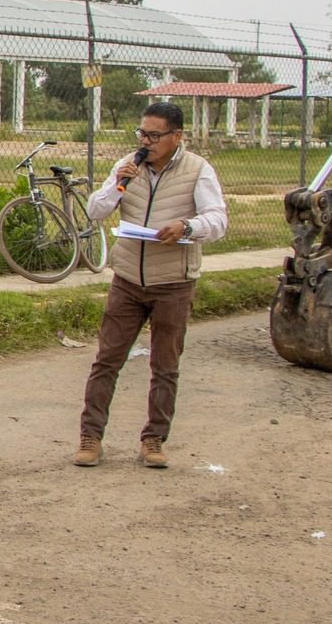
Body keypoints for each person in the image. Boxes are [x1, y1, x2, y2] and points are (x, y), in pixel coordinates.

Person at [74, 102, 228, 470]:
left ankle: (154, 439)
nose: (146, 141)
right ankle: (90, 436)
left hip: (173, 282)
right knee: (106, 360)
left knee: (165, 365)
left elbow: (218, 220)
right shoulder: (128, 166)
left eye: (155, 135)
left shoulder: (198, 170)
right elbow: (95, 211)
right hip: (128, 280)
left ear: (177, 137)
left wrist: (187, 227)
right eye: (142, 133)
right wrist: (116, 184)